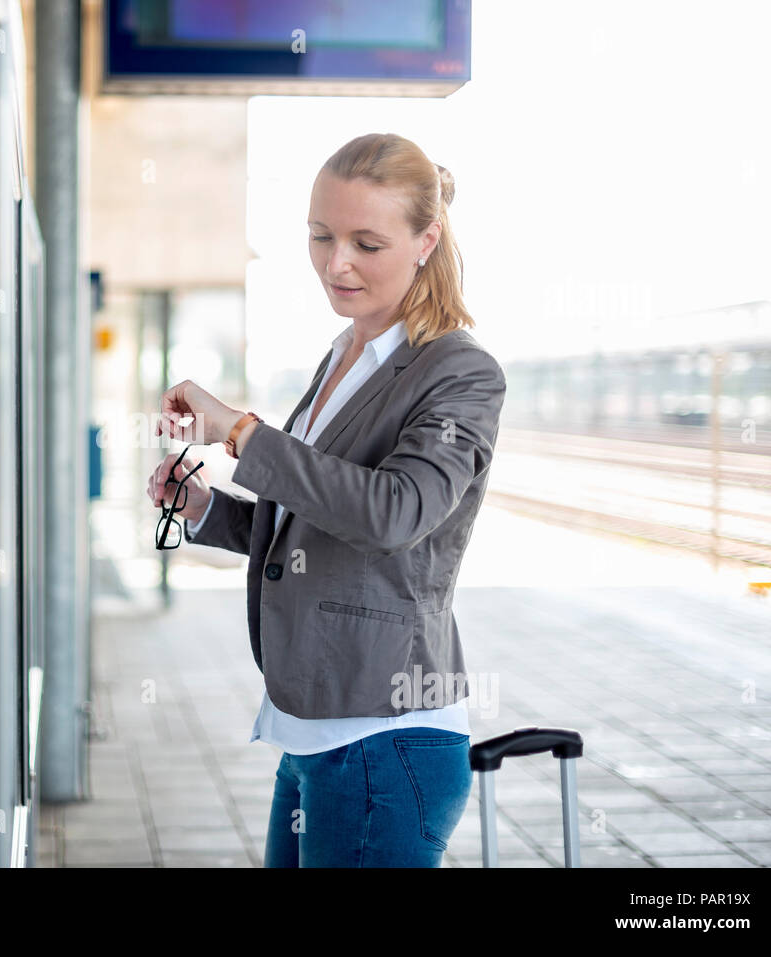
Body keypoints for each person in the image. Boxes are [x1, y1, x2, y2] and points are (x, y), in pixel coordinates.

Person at [146, 133, 506, 867]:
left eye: (366, 243)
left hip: (385, 734)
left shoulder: (459, 371)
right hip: (312, 726)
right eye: (320, 236)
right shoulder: (342, 355)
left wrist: (242, 430)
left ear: (426, 239)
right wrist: (206, 509)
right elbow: (316, 525)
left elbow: (396, 512)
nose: (335, 263)